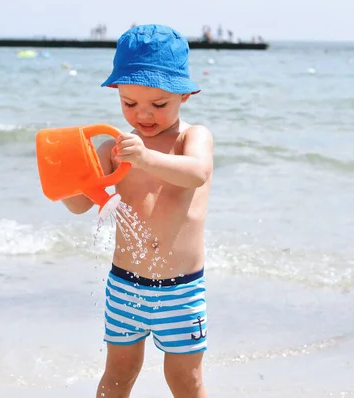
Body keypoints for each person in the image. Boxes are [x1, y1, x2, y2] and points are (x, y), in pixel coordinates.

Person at [61, 24, 214, 398]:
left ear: (185, 95)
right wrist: (64, 180)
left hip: (181, 292)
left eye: (158, 105)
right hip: (126, 287)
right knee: (118, 374)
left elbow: (197, 174)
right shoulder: (114, 148)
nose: (143, 115)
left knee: (185, 380)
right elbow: (80, 204)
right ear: (117, 93)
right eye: (129, 103)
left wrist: (145, 158)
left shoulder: (191, 139)